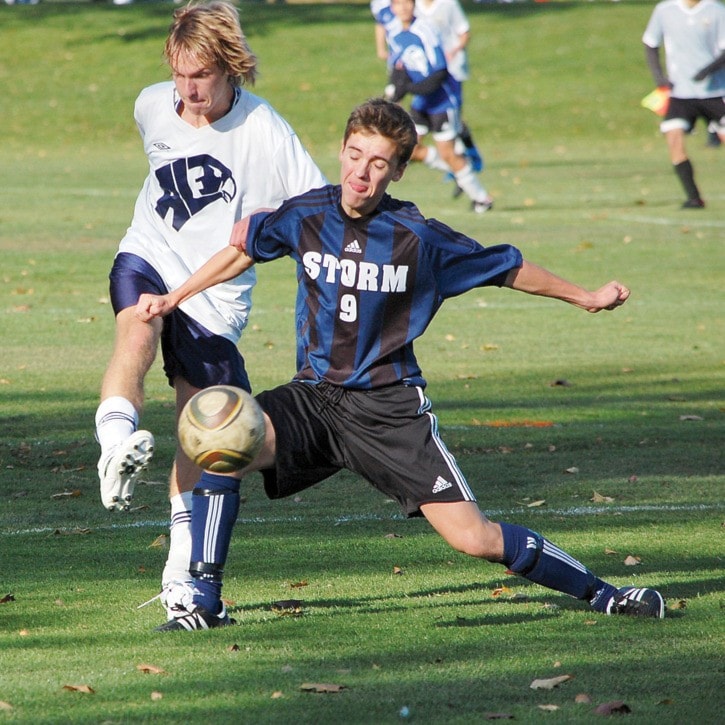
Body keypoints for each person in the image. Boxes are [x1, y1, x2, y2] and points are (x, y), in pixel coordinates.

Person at [136, 98, 666, 631]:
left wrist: (586, 296)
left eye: (378, 163)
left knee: (474, 538)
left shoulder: (420, 238)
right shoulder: (306, 213)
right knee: (224, 442)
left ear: (398, 171)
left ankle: (605, 594)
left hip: (388, 412)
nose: (361, 172)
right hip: (315, 398)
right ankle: (204, 603)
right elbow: (246, 247)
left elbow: (509, 267)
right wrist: (175, 295)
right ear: (341, 150)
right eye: (354, 154)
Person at [94, 0, 326, 620]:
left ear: (231, 67)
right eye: (179, 74)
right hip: (146, 256)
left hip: (215, 300)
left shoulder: (266, 133)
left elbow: (318, 214)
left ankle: (179, 578)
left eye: (201, 74)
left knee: (204, 434)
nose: (188, 89)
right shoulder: (151, 105)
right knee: (136, 328)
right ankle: (113, 441)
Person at [384, 0, 493, 213]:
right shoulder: (394, 33)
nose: (404, 7)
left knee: (448, 153)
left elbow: (439, 72)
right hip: (420, 103)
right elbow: (399, 69)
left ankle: (482, 199)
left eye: (408, 3)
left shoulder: (425, 30)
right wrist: (393, 94)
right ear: (392, 7)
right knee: (410, 149)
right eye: (399, 3)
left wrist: (408, 88)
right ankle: (461, 174)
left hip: (442, 101)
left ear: (413, 5)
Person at [642, 0, 725, 208]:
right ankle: (693, 198)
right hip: (680, 93)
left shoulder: (716, 10)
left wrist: (707, 71)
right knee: (673, 138)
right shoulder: (664, 10)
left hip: (715, 92)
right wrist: (659, 77)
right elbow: (650, 43)